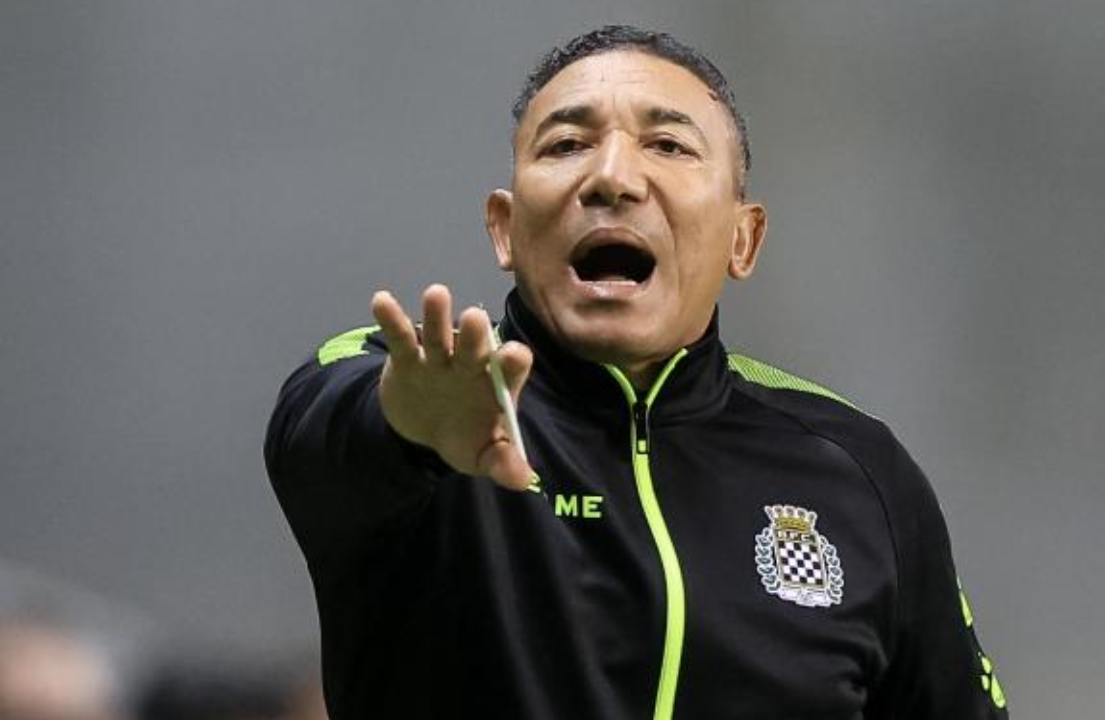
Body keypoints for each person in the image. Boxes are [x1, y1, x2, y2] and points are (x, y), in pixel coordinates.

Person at [266, 24, 1009, 720]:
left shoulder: (859, 472)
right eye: (567, 144)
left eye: (668, 145)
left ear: (743, 240)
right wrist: (410, 428)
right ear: (505, 228)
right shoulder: (420, 384)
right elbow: (329, 432)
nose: (613, 177)